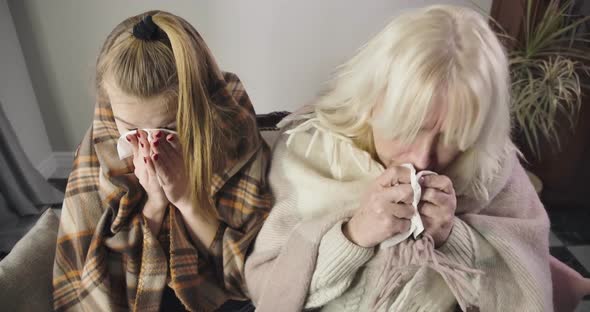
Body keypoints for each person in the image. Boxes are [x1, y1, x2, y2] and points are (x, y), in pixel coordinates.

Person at [245, 5, 552, 312]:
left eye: (451, 137)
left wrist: (453, 239)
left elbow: (530, 293)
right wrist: (354, 236)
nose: (423, 157)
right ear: (371, 103)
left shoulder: (496, 171)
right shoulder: (307, 154)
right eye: (408, 130)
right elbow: (266, 291)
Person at [52, 11, 271, 312]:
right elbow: (93, 290)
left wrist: (187, 201)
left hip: (218, 289)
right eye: (130, 129)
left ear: (199, 106)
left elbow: (253, 274)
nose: (147, 145)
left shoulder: (230, 126)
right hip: (138, 292)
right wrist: (154, 205)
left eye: (168, 128)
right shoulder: (98, 148)